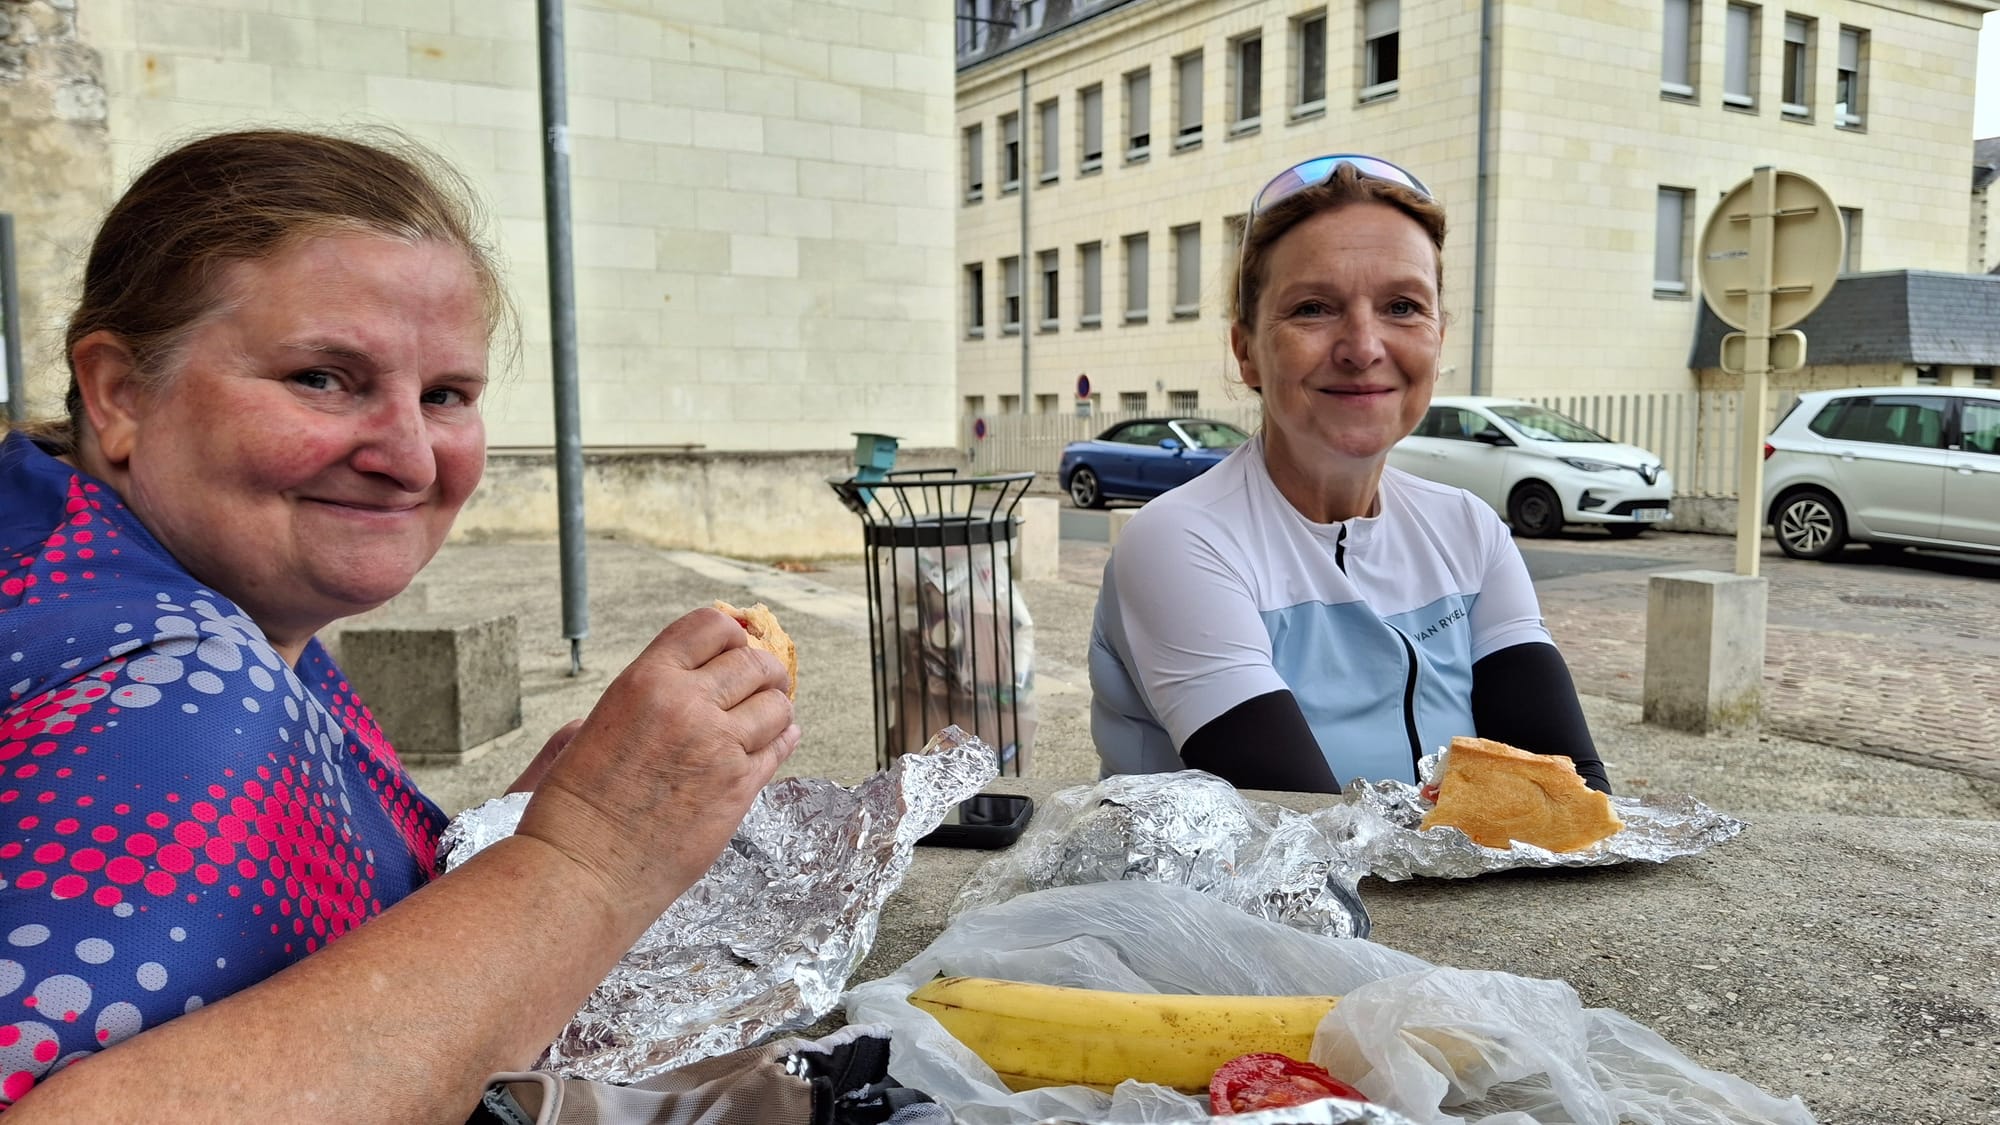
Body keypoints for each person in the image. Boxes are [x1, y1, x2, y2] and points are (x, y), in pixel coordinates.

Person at [0, 130, 800, 1119]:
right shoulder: (169, 677)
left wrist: (510, 844)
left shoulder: (156, 589)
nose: (412, 459)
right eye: (322, 378)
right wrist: (588, 860)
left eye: (445, 395)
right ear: (119, 394)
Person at [1088, 155, 1609, 795]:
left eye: (1402, 306)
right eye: (1313, 308)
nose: (1363, 348)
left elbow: (1570, 794)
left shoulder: (1468, 529)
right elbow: (1299, 824)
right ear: (1247, 351)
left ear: (1439, 338)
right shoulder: (1182, 538)